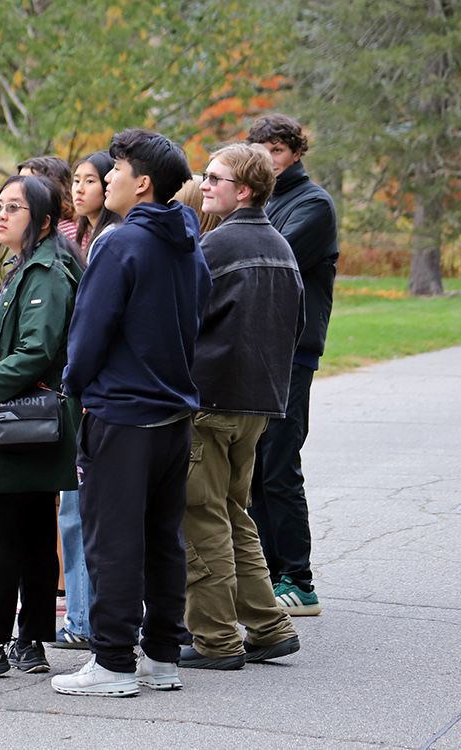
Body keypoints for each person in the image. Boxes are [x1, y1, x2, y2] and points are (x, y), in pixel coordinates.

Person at [51, 128, 210, 697]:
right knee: (162, 537)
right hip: (173, 414)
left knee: (113, 539)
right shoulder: (186, 238)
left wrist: (75, 386)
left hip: (123, 414)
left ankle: (114, 662)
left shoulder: (119, 243)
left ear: (141, 183)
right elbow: (201, 309)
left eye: (115, 169)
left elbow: (88, 333)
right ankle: (162, 656)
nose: (107, 176)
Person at [0, 174, 83, 680]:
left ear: (43, 220)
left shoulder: (46, 271)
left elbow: (37, 351)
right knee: (29, 535)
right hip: (30, 422)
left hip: (25, 422)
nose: (1, 215)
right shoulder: (29, 265)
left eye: (14, 208)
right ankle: (30, 642)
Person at [180, 143, 304, 669]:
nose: (205, 185)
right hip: (258, 405)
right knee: (234, 511)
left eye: (215, 178)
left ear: (244, 190)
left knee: (199, 516)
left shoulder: (215, 246)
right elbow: (294, 328)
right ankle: (269, 625)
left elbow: (181, 323)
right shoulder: (281, 246)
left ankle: (215, 639)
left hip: (211, 403)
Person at [246, 114, 339, 617]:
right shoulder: (265, 201)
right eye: (259, 151)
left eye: (276, 150)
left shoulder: (312, 203)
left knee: (279, 464)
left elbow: (269, 257)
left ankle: (298, 580)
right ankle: (267, 572)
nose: (268, 159)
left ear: (296, 153)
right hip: (256, 350)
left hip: (291, 350)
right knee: (256, 466)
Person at [53, 151, 123, 652]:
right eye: (75, 180)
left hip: (94, 392)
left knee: (82, 512)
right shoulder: (74, 238)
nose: (81, 189)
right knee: (72, 512)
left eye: (91, 180)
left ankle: (85, 619)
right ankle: (80, 612)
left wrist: (75, 383)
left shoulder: (113, 240)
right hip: (81, 386)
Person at [71, 152, 123, 263]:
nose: (79, 189)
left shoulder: (110, 238)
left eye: (89, 181)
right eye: (76, 181)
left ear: (108, 185)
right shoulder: (93, 234)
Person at [19, 155, 79, 244]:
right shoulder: (29, 230)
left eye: (30, 183)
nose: (20, 189)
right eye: (19, 181)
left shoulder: (66, 234)